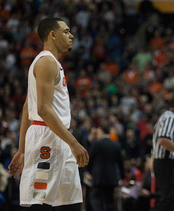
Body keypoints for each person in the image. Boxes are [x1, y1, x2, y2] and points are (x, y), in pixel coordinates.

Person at [8, 17, 89, 210]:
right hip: (47, 139)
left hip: (60, 138)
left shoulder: (53, 63)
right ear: (52, 35)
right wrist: (74, 142)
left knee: (71, 202)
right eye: (66, 31)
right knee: (40, 200)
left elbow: (28, 107)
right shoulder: (46, 62)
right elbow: (42, 109)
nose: (71, 35)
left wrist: (21, 150)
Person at [84, 125, 125, 211]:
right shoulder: (116, 145)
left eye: (98, 132)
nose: (97, 134)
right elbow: (121, 163)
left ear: (102, 132)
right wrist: (122, 176)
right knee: (109, 201)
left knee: (96, 200)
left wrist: (87, 171)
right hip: (111, 178)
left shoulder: (96, 144)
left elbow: (89, 160)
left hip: (97, 177)